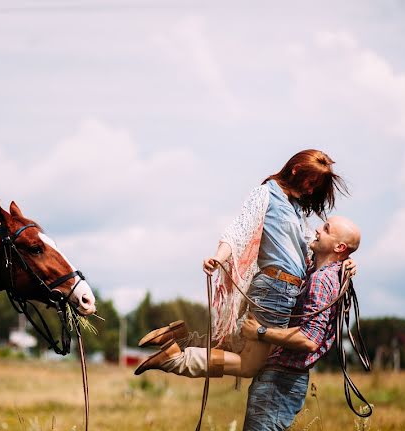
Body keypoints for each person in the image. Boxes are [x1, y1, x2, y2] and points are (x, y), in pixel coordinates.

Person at [134, 149, 347, 378]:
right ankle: (175, 358)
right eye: (311, 182)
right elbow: (240, 230)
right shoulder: (267, 194)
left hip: (282, 289)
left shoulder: (294, 208)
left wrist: (344, 264)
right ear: (296, 170)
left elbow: (308, 250)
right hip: (276, 289)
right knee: (250, 366)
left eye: (316, 186)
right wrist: (219, 256)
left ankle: (179, 337)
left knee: (237, 347)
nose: (311, 189)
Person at [234, 215, 360, 431]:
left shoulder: (321, 280)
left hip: (282, 379)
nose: (318, 229)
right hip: (281, 377)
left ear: (339, 246)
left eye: (326, 229)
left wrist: (261, 332)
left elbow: (309, 339)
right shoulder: (316, 270)